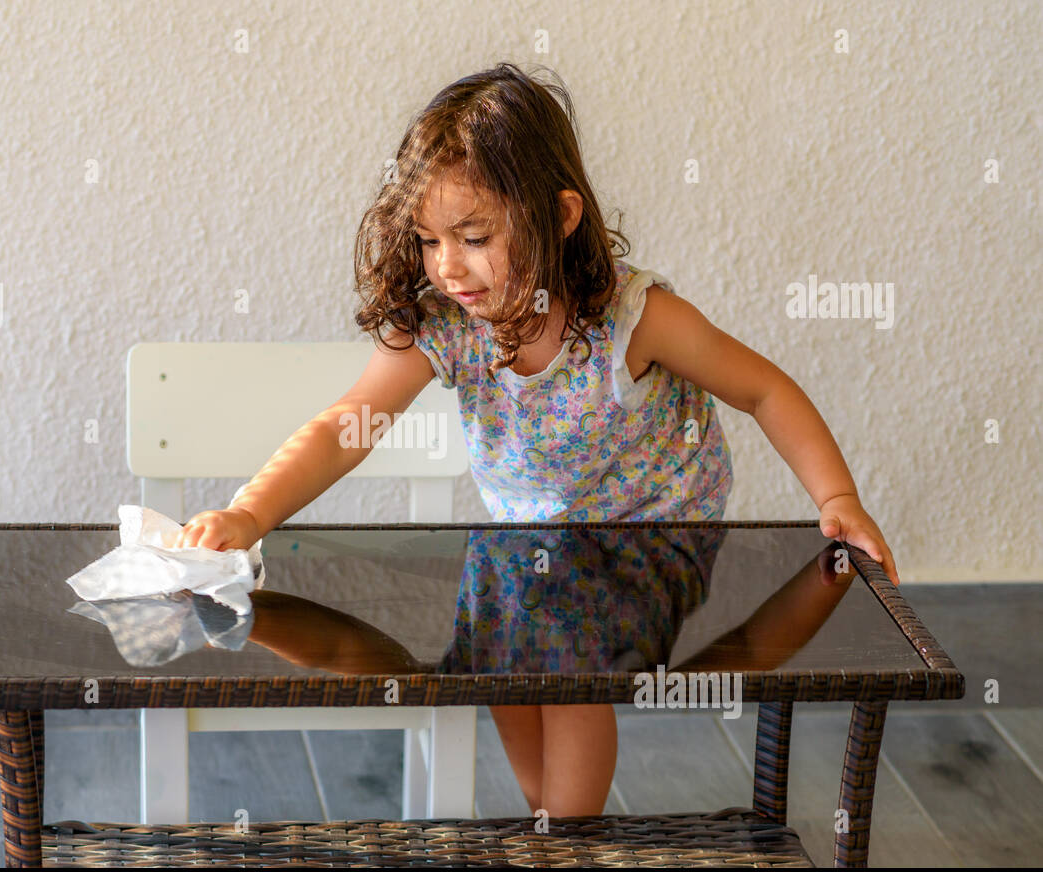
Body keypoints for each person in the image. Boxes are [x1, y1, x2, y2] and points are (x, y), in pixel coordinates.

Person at [173, 63, 900, 816]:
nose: (447, 266)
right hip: (525, 544)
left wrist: (837, 495)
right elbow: (344, 427)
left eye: (475, 236)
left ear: (560, 217)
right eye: (428, 240)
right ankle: (549, 819)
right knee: (501, 663)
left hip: (653, 538)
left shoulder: (631, 317)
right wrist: (249, 514)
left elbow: (764, 389)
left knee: (561, 651)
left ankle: (570, 839)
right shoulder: (447, 324)